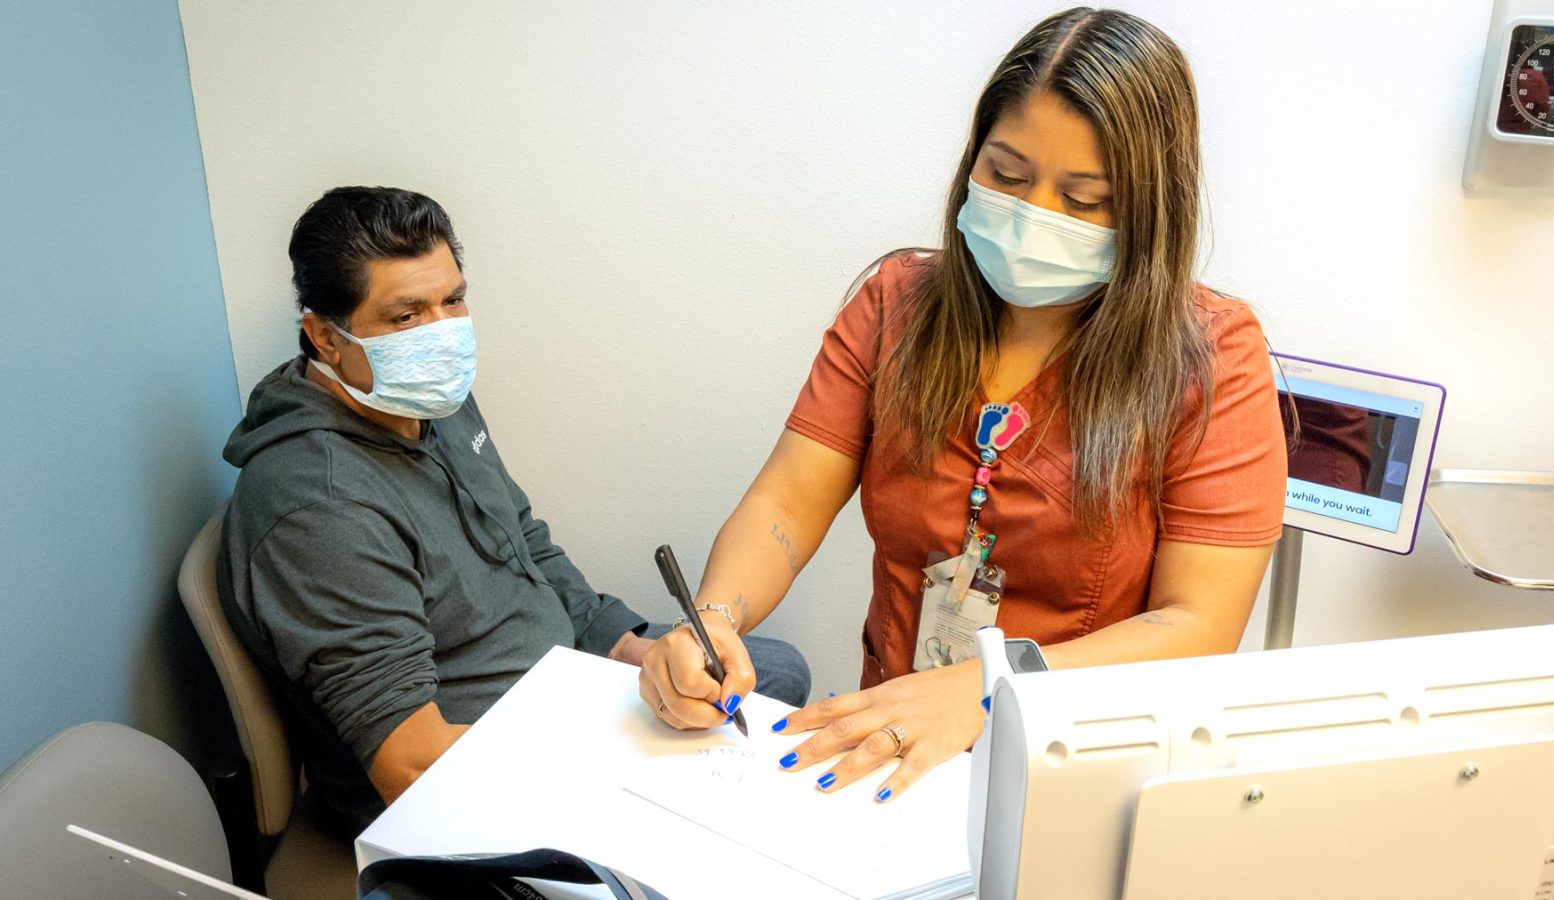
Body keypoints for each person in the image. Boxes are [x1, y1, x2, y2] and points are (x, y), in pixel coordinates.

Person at [638, 7, 1287, 803]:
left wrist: (988, 685)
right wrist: (712, 620)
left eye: (1084, 200)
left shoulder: (1213, 359)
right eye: (1007, 175)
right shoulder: (896, 306)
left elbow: (1197, 624)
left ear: (1150, 212)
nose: (1035, 214)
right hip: (891, 747)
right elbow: (789, 499)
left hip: (1073, 770)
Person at [217, 187, 809, 836]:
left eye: (453, 300)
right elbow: (413, 769)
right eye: (405, 316)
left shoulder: (424, 400)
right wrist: (614, 758)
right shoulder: (319, 508)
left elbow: (523, 540)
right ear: (325, 339)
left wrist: (628, 651)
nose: (441, 333)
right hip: (475, 776)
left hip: (559, 693)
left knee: (774, 671)